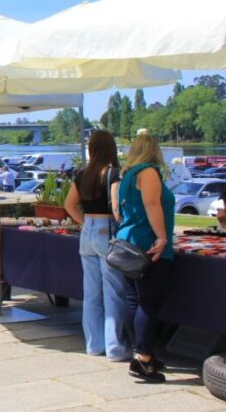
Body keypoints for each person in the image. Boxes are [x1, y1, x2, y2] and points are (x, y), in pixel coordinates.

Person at [63, 130, 132, 362]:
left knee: (91, 292)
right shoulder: (112, 173)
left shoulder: (83, 174)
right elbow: (115, 208)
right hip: (106, 229)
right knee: (113, 292)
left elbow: (69, 204)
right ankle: (115, 347)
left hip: (88, 230)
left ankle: (94, 344)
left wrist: (85, 222)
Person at [111, 130, 174, 382]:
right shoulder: (148, 172)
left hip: (128, 243)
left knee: (134, 300)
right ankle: (143, 357)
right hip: (146, 245)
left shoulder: (127, 176)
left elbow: (119, 209)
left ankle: (140, 351)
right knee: (148, 302)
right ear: (154, 149)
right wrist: (161, 237)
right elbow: (152, 204)